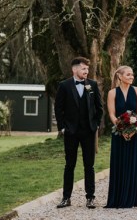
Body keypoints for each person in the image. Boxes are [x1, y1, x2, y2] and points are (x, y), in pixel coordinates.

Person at [55, 57, 103, 209]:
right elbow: (58, 108)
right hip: (71, 132)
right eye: (83, 69)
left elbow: (99, 108)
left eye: (87, 69)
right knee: (70, 165)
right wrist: (63, 128)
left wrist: (95, 125)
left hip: (88, 131)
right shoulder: (64, 86)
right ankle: (66, 198)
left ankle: (90, 198)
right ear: (74, 69)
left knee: (89, 166)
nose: (86, 71)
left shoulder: (93, 85)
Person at [105, 65, 137, 208]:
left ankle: (136, 198)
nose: (131, 77)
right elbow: (111, 113)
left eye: (132, 74)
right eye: (128, 74)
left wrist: (134, 126)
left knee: (134, 163)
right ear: (120, 76)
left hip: (135, 132)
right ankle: (119, 197)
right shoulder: (112, 93)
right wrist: (121, 127)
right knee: (120, 162)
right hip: (119, 133)